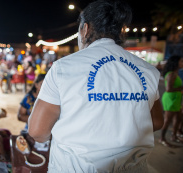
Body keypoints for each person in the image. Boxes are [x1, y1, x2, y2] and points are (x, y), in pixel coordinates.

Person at [28, 0, 164, 172]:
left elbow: (38, 132)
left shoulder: (63, 68)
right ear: (120, 32)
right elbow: (157, 122)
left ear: (85, 29)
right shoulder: (147, 70)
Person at [160, 55, 183, 146]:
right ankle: (162, 138)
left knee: (178, 118)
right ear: (175, 63)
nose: (182, 63)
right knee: (167, 120)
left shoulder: (175, 73)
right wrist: (181, 88)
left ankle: (174, 136)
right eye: (181, 61)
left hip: (176, 99)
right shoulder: (171, 74)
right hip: (170, 99)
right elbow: (168, 89)